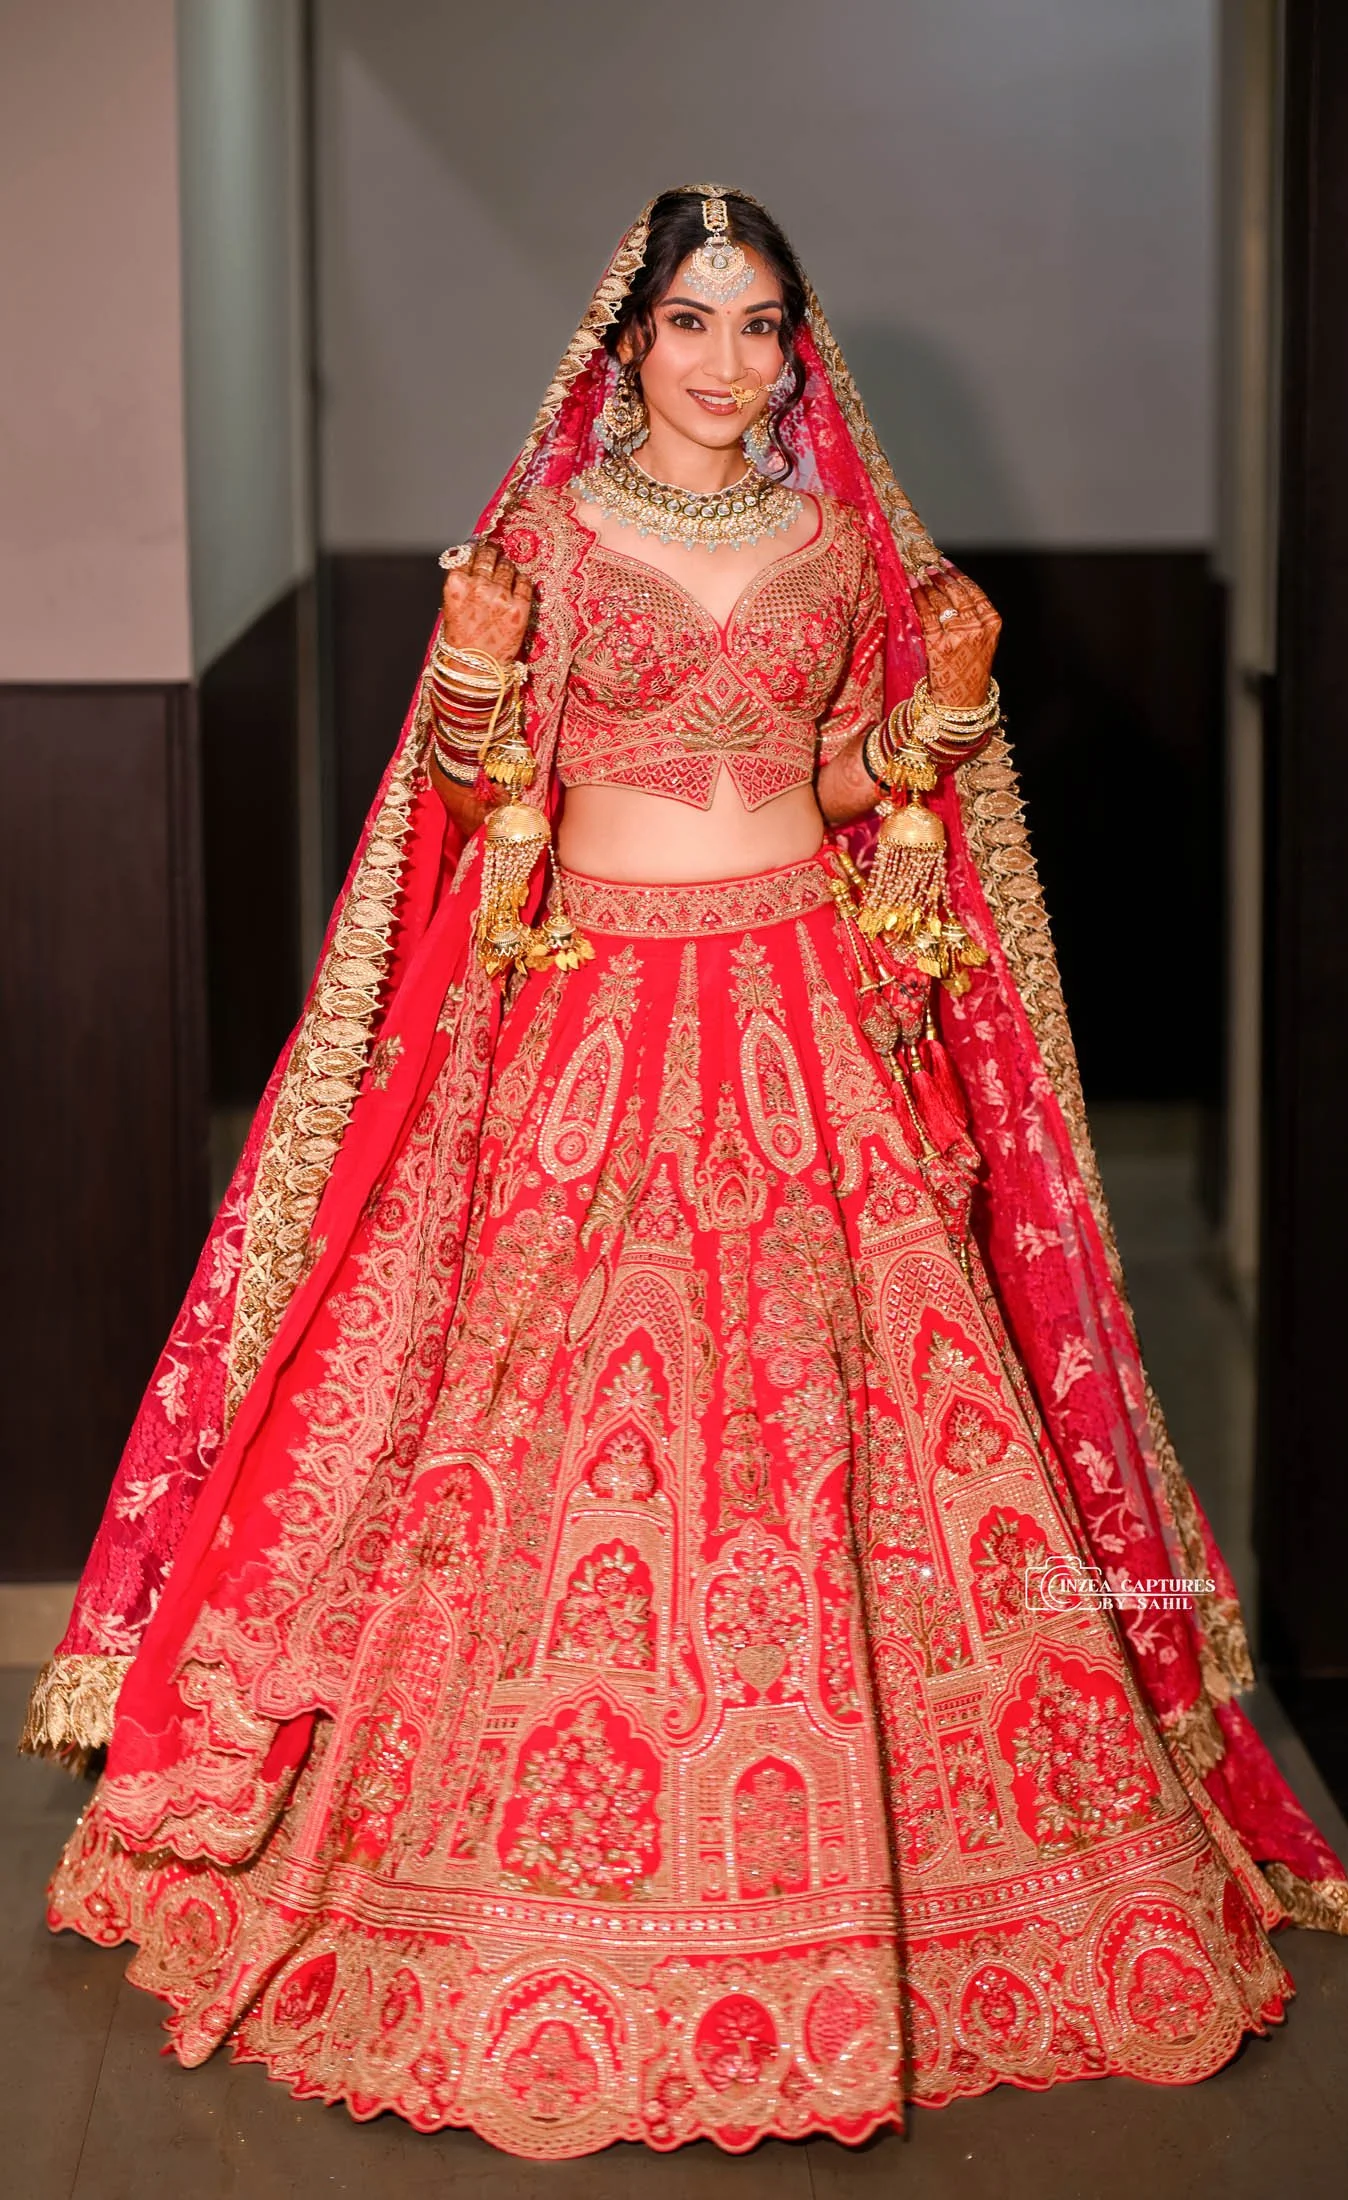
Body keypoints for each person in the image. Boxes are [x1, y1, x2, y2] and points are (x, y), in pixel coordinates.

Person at [24, 186, 1347, 2159]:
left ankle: (913, 1872)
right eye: (695, 322)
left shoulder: (835, 544)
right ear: (625, 342)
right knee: (554, 1437)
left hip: (805, 1016)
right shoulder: (548, 541)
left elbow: (827, 778)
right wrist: (471, 679)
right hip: (597, 1029)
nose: (733, 360)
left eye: (764, 323)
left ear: (795, 347)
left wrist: (939, 715)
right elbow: (484, 800)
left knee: (846, 1422)